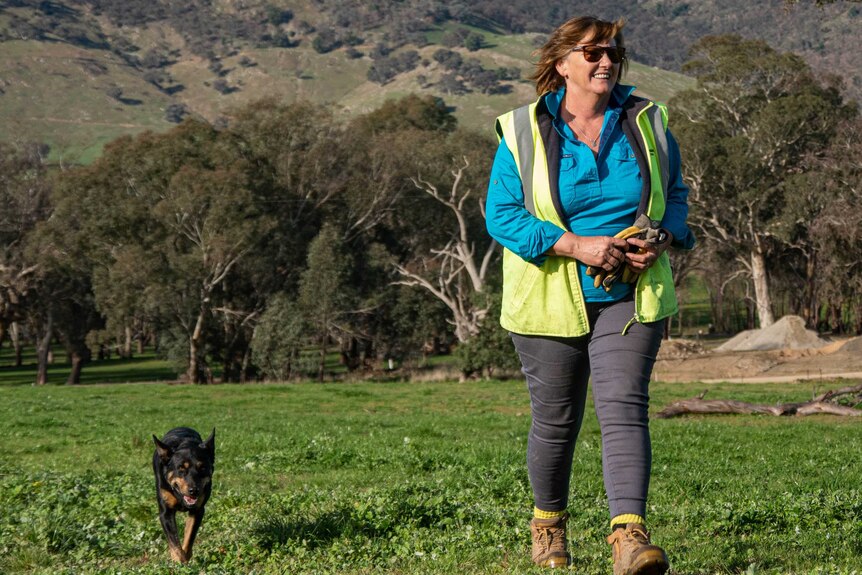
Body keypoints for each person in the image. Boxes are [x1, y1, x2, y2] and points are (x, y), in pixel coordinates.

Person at [485, 15, 695, 574]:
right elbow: (501, 216)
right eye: (593, 52)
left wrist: (662, 236)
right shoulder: (522, 130)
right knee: (556, 420)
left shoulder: (647, 121)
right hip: (548, 296)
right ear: (561, 63)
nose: (607, 61)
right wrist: (576, 246)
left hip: (631, 292)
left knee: (624, 408)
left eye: (614, 52)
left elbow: (675, 193)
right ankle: (548, 527)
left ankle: (629, 538)